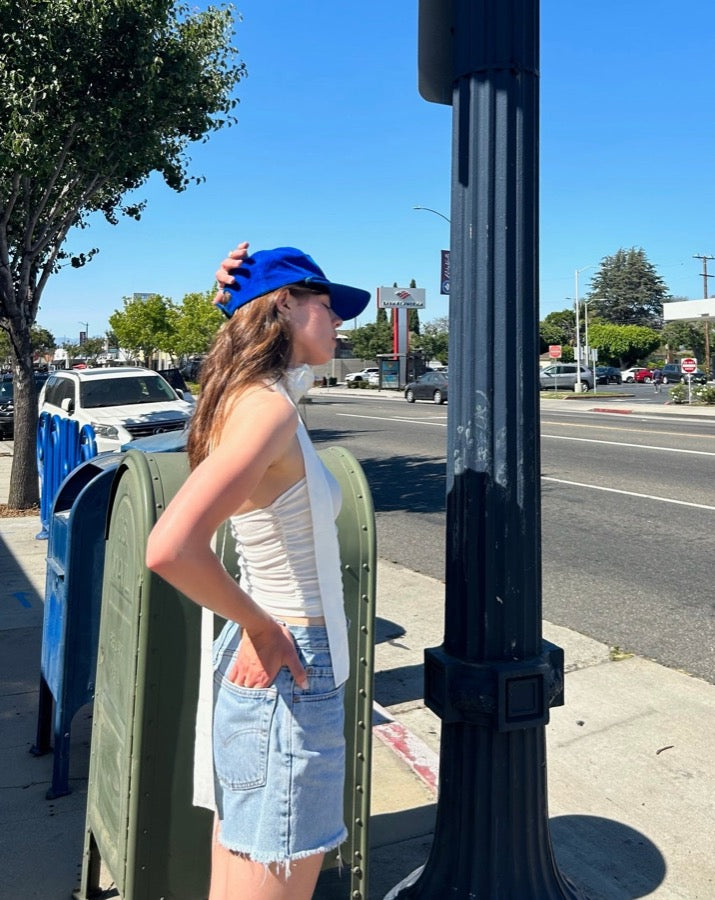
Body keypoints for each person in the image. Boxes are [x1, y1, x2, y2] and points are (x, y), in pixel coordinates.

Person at [146, 243, 371, 900]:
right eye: (326, 307)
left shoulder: (247, 395)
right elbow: (171, 546)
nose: (338, 323)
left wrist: (231, 301)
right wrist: (262, 627)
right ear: (284, 306)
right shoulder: (266, 409)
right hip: (289, 670)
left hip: (275, 673)